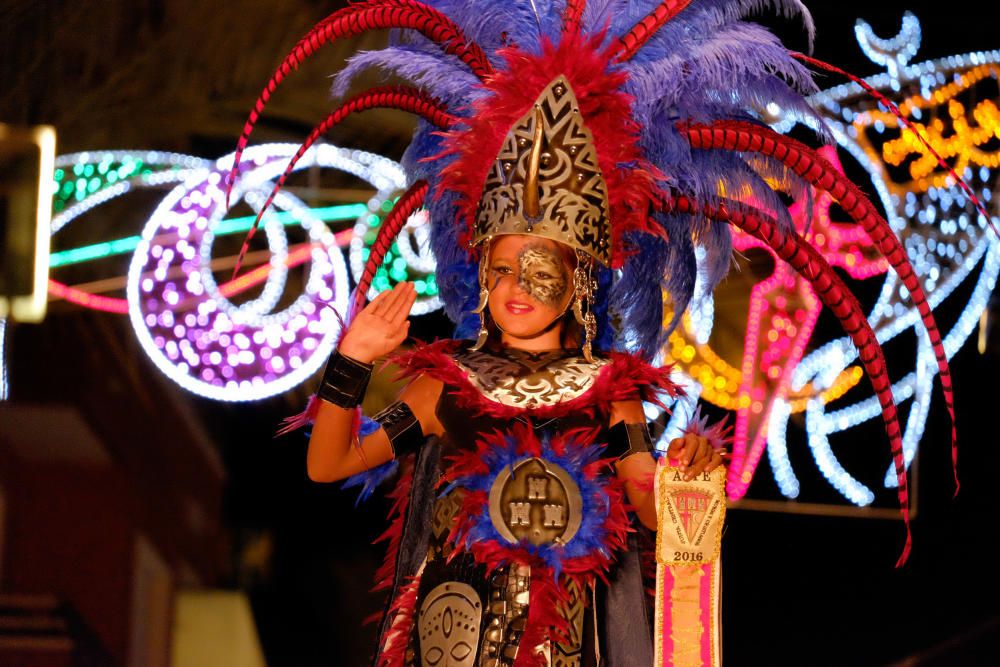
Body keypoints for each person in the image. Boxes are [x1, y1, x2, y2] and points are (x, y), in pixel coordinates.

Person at [307, 231, 725, 666]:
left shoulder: (611, 390)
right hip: (452, 635)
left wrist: (687, 473)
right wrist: (352, 359)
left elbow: (654, 512)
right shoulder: (444, 383)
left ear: (579, 280)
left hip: (563, 638)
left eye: (539, 271)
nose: (516, 287)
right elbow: (329, 463)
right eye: (502, 270)